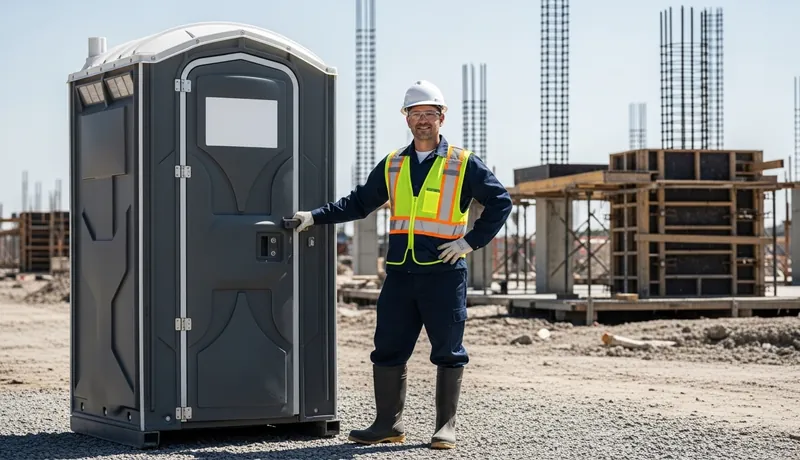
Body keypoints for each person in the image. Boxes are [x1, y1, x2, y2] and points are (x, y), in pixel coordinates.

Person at [291, 80, 512, 450]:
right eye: (415, 113)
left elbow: (500, 201)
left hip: (443, 274)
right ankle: (386, 424)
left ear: (442, 118)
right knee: (388, 348)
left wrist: (469, 242)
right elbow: (359, 202)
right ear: (406, 119)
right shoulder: (394, 164)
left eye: (429, 113)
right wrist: (314, 216)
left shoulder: (462, 163)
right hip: (400, 274)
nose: (422, 120)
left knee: (448, 350)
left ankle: (445, 427)